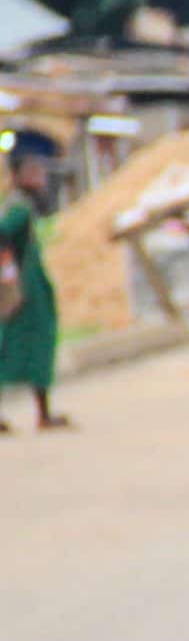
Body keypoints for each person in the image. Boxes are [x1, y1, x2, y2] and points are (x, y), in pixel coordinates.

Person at [0, 134, 67, 432]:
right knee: (23, 347)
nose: (40, 176)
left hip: (29, 286)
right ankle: (43, 415)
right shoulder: (17, 208)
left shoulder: (21, 205)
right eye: (33, 171)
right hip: (22, 290)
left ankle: (43, 413)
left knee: (28, 348)